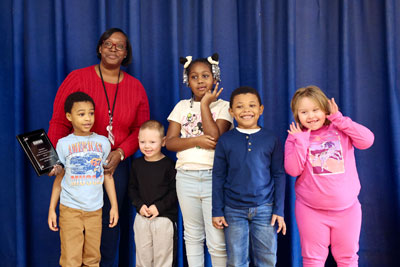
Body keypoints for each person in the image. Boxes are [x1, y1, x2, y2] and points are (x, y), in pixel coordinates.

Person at [48, 28, 150, 266]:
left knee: (108, 226)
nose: (114, 48)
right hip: (76, 165)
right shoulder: (76, 78)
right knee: (74, 226)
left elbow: (141, 130)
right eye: (108, 43)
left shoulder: (136, 88)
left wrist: (120, 152)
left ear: (126, 54)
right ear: (100, 48)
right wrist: (55, 160)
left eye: (120, 45)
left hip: (116, 167)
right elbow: (59, 121)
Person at [284, 85, 374, 267]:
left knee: (348, 258)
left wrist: (339, 119)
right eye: (304, 112)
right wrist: (301, 143)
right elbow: (292, 170)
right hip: (311, 210)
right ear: (297, 114)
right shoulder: (295, 137)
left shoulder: (339, 128)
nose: (311, 116)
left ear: (325, 109)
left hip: (347, 210)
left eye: (315, 110)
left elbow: (367, 140)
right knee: (313, 260)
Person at [165, 53, 233, 266]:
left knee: (216, 237)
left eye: (205, 75)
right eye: (194, 77)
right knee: (192, 235)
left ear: (215, 78)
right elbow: (170, 142)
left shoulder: (223, 106)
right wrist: (197, 140)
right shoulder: (181, 107)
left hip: (214, 177)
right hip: (185, 177)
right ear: (188, 81)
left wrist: (205, 105)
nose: (200, 80)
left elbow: (214, 138)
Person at [212, 86, 286, 266]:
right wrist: (217, 210)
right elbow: (218, 176)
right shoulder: (226, 140)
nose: (246, 110)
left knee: (267, 259)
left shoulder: (271, 139)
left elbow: (278, 174)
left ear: (260, 109)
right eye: (239, 106)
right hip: (233, 210)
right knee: (237, 261)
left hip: (265, 209)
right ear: (231, 111)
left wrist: (279, 210)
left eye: (252, 105)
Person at [48, 92, 119, 266]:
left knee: (93, 257)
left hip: (95, 210)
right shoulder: (63, 144)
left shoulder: (103, 142)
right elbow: (59, 179)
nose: (87, 118)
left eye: (91, 113)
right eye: (81, 114)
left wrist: (114, 206)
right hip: (70, 209)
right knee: (70, 258)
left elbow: (107, 176)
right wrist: (52, 208)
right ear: (69, 116)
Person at [128, 120, 178, 267]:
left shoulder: (169, 165)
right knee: (143, 259)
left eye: (152, 142)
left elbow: (175, 192)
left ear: (163, 142)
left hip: (163, 220)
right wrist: (139, 206)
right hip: (142, 218)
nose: (147, 146)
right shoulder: (136, 165)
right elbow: (132, 189)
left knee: (163, 260)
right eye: (143, 142)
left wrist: (159, 207)